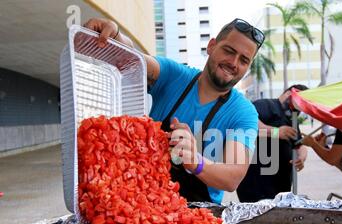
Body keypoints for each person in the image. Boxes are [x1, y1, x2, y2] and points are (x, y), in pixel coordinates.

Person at [83, 18, 265, 203]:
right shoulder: (173, 76)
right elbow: (133, 59)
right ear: (211, 46)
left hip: (197, 215)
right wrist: (114, 36)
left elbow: (232, 178)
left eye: (243, 60)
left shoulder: (244, 112)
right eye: (229, 51)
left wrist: (196, 161)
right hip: (142, 201)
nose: (234, 63)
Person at [236, 85, 309, 202]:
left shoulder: (292, 119)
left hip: (281, 187)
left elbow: (299, 144)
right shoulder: (265, 105)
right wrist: (276, 132)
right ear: (289, 93)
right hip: (256, 185)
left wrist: (301, 157)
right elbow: (249, 125)